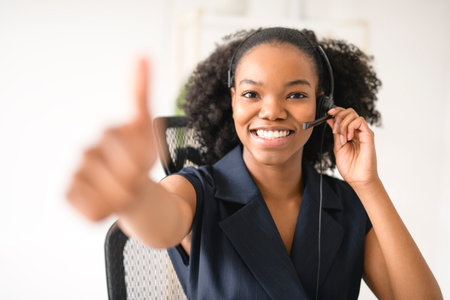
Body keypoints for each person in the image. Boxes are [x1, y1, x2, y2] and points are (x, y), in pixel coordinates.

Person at [66, 27, 442, 299]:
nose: (272, 111)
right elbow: (161, 223)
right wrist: (132, 193)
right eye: (251, 93)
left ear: (321, 106)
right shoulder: (197, 189)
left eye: (295, 94)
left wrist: (368, 185)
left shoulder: (346, 204)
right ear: (232, 101)